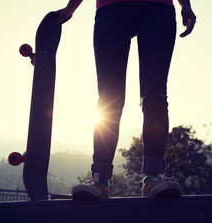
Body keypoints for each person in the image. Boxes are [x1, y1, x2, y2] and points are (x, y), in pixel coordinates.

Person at [56, 0, 196, 199]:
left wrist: (185, 4)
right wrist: (71, 8)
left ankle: (153, 177)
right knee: (108, 98)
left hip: (157, 8)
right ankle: (100, 180)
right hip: (111, 8)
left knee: (154, 96)